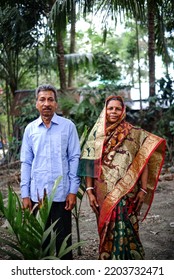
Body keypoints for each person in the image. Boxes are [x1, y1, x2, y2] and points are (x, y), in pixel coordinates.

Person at [77, 95, 166, 260]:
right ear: (105, 110)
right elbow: (89, 164)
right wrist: (89, 192)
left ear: (123, 110)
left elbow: (143, 163)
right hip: (102, 193)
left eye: (117, 108)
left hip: (129, 193)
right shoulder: (96, 135)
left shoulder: (134, 133)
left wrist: (143, 189)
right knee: (106, 229)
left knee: (128, 228)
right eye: (110, 108)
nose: (114, 112)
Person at [20, 84, 80, 259]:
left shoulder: (68, 127)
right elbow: (26, 162)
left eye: (50, 99)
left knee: (64, 243)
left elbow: (74, 158)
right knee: (41, 243)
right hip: (37, 196)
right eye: (42, 99)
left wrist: (73, 191)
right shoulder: (30, 129)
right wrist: (25, 194)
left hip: (62, 194)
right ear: (36, 103)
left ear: (56, 103)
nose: (46, 103)